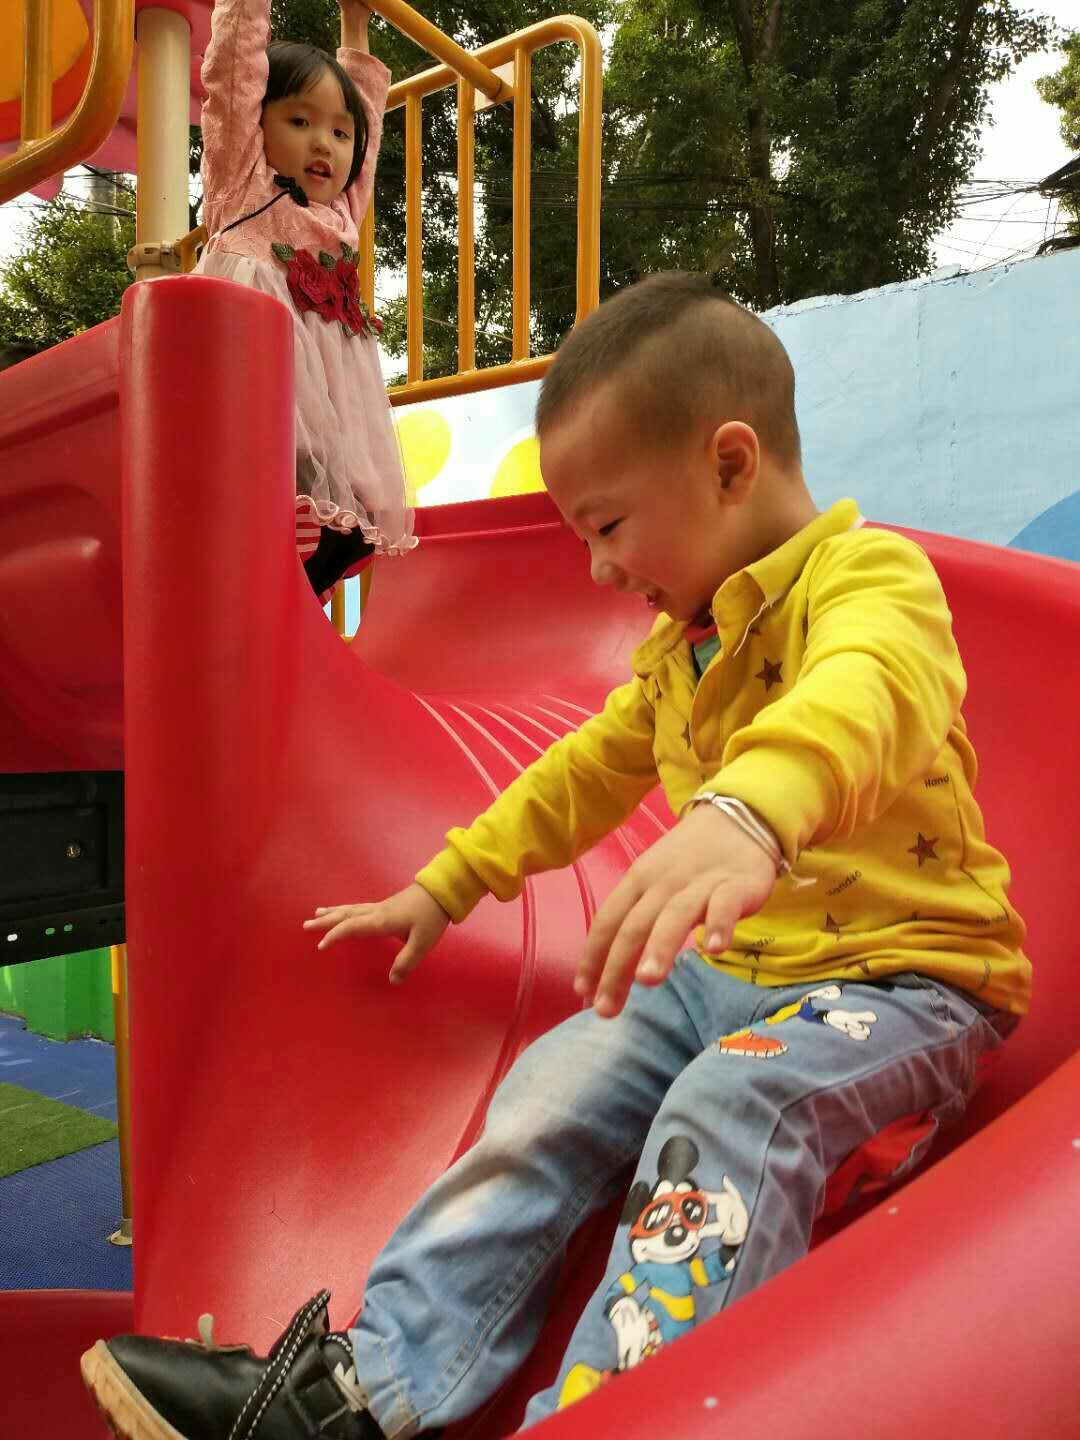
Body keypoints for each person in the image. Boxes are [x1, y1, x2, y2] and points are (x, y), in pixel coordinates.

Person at [81, 274, 1029, 1440]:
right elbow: (577, 777)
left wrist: (747, 814)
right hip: (729, 971)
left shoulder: (870, 582)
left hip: (901, 984)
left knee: (733, 1101)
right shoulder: (679, 652)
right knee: (549, 1089)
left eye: (609, 526)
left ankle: (621, 1415)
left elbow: (867, 692)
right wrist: (446, 886)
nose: (597, 570)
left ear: (731, 465)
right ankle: (363, 1390)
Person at [195, 0, 415, 602]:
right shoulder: (243, 182)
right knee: (279, 479)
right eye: (299, 121)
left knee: (355, 517)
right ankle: (260, 581)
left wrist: (356, 22)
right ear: (256, 124)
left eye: (339, 133)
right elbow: (234, 69)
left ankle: (298, 591)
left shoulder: (340, 212)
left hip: (330, 402)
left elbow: (366, 128)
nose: (324, 144)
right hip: (257, 372)